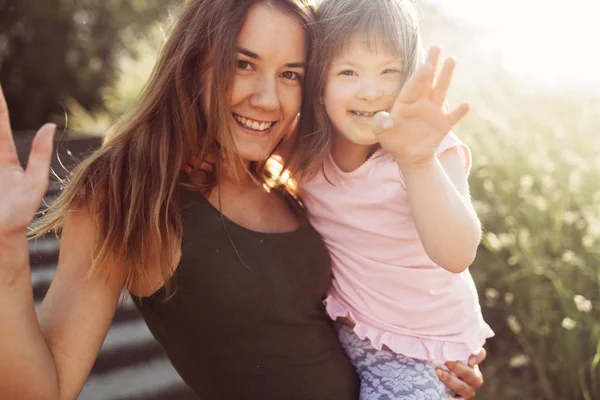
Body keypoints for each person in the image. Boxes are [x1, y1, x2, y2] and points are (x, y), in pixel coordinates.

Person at [0, 0, 486, 399]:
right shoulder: (126, 192)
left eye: (291, 74)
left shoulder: (287, 175)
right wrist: (7, 255)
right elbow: (45, 389)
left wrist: (428, 368)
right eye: (243, 64)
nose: (267, 99)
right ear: (192, 63)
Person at [297, 0, 494, 398]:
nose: (371, 91)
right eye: (348, 71)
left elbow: (457, 254)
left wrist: (416, 162)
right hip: (347, 328)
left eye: (390, 71)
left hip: (419, 349)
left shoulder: (427, 152)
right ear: (318, 84)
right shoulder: (307, 156)